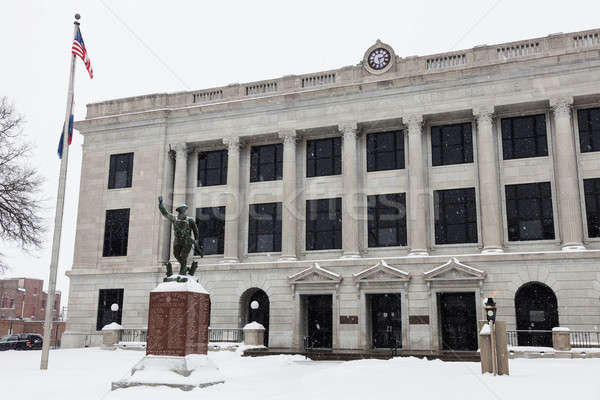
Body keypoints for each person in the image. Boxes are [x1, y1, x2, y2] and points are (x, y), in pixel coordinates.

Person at [158, 195, 202, 275]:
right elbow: (164, 213)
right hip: (177, 241)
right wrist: (160, 204)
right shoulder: (174, 218)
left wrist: (196, 240)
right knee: (176, 255)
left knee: (184, 256)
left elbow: (196, 231)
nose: (186, 212)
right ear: (181, 211)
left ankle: (183, 271)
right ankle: (184, 266)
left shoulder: (190, 220)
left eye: (185, 210)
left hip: (187, 241)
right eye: (184, 210)